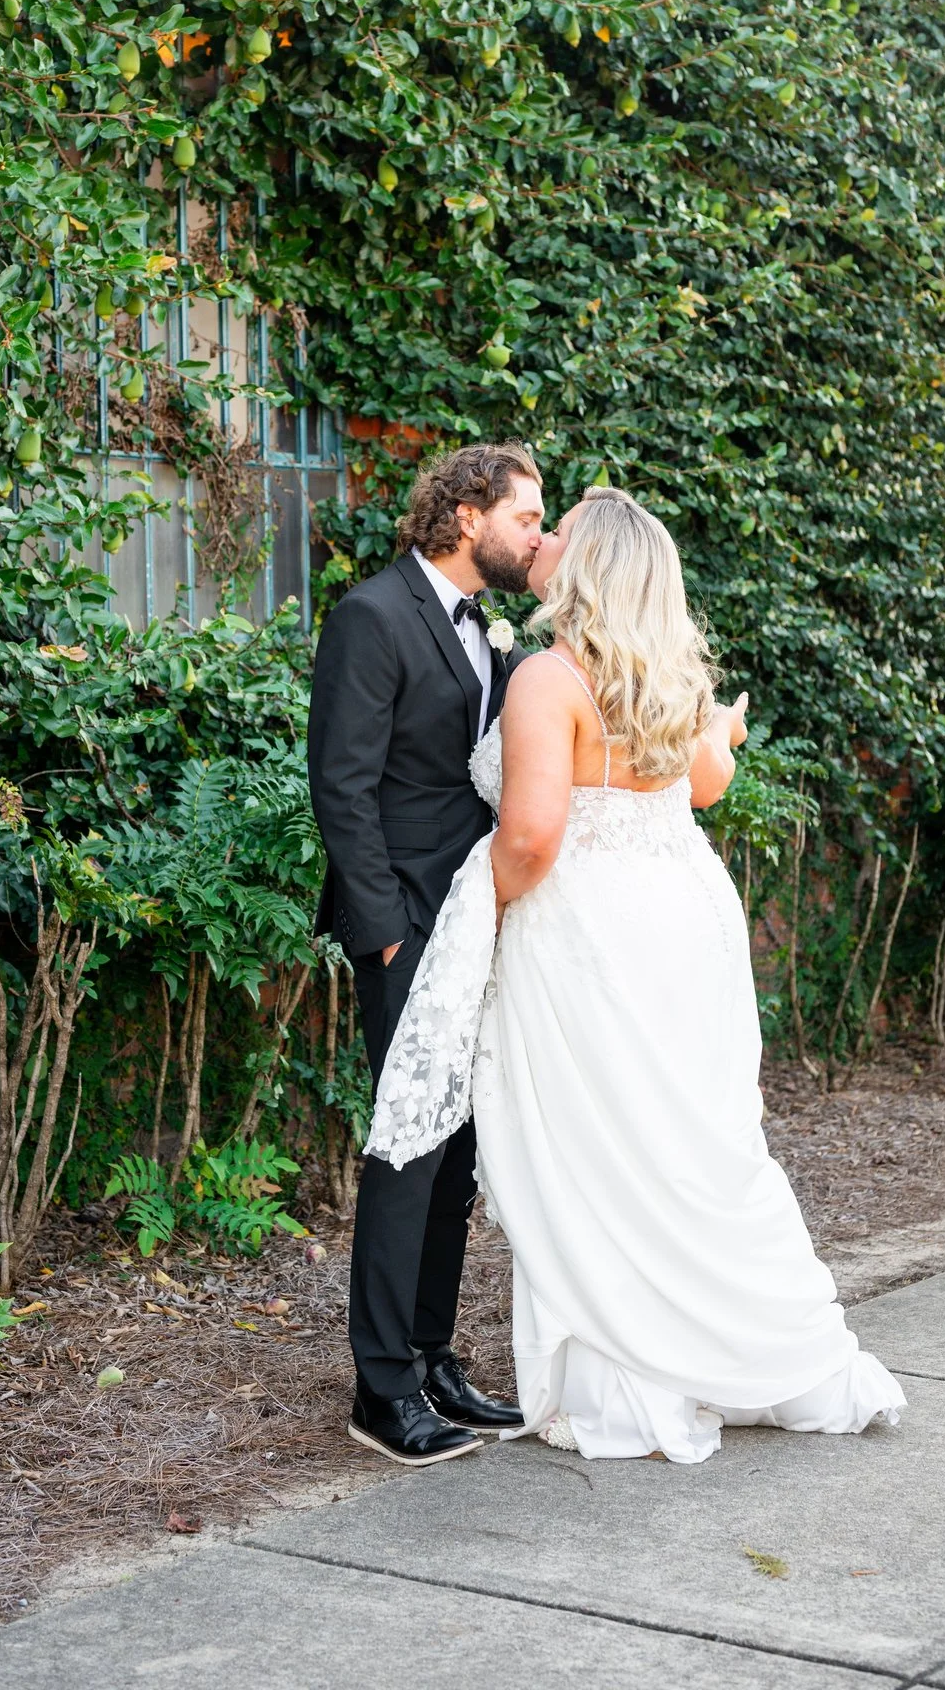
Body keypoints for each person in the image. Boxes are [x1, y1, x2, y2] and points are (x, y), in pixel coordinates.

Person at [368, 486, 905, 1463]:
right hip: (688, 921)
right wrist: (727, 733)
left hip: (589, 927)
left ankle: (629, 1372)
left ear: (588, 564)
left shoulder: (550, 677)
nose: (547, 535)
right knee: (689, 1141)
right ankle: (744, 1347)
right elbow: (705, 782)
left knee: (599, 1149)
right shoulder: (671, 673)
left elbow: (530, 837)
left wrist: (467, 901)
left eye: (560, 527)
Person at [307, 441, 544, 1465]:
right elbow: (342, 788)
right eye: (528, 516)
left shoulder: (483, 627)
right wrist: (387, 929)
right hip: (408, 923)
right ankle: (381, 1386)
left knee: (458, 1152)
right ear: (464, 512)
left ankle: (433, 1353)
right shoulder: (370, 615)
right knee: (408, 1148)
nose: (536, 535)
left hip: (476, 918)